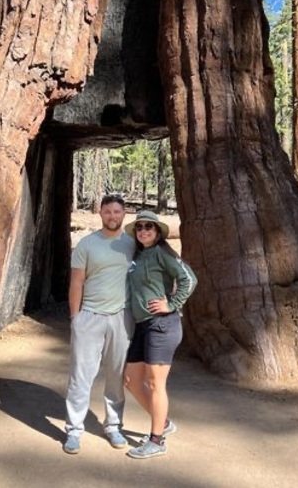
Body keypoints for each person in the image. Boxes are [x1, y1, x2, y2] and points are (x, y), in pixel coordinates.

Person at [63, 195, 135, 455]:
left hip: (122, 317)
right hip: (90, 316)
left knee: (117, 375)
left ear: (124, 214)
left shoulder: (133, 243)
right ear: (100, 213)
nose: (112, 216)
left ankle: (113, 426)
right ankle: (74, 430)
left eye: (117, 211)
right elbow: (77, 282)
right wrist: (76, 318)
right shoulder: (87, 244)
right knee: (81, 376)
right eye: (107, 211)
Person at [123, 210, 197, 459]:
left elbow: (189, 279)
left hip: (162, 325)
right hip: (143, 325)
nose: (143, 230)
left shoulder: (162, 253)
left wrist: (172, 304)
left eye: (149, 227)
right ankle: (162, 422)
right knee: (131, 380)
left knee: (155, 383)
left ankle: (157, 440)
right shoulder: (138, 255)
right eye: (139, 227)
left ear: (157, 231)